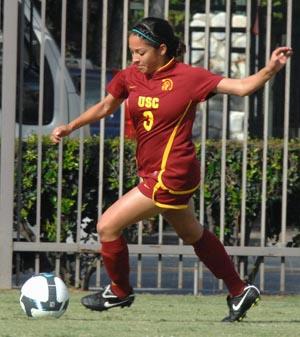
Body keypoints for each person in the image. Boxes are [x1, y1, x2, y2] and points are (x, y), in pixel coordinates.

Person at [51, 17, 292, 322]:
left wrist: (271, 68)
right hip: (155, 172)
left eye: (141, 52)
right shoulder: (130, 77)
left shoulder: (189, 77)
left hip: (172, 172)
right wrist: (70, 126)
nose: (134, 59)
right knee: (193, 233)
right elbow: (105, 106)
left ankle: (119, 290)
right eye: (132, 52)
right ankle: (239, 289)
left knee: (107, 226)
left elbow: (242, 87)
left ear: (162, 49)